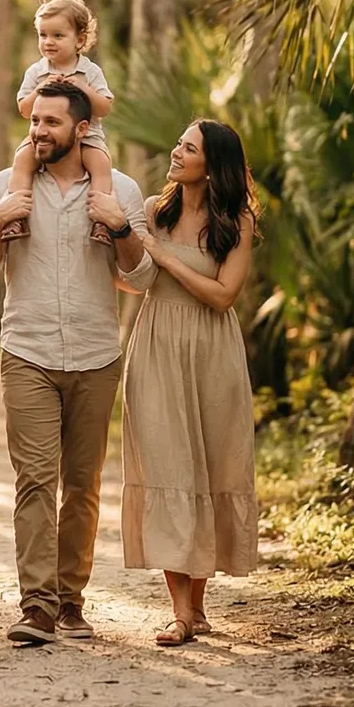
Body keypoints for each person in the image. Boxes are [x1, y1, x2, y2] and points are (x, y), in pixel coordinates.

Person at [0, 80, 156, 644]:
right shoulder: (7, 184)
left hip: (97, 354)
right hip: (27, 350)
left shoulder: (120, 187)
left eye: (51, 122)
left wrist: (120, 225)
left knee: (83, 484)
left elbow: (141, 277)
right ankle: (37, 607)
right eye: (34, 121)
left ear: (81, 128)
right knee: (34, 480)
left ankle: (72, 600)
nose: (38, 131)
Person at [122, 119, 262, 647]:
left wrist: (162, 258)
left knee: (208, 466)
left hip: (212, 350)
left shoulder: (236, 219)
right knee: (167, 466)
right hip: (156, 344)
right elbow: (133, 280)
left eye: (189, 147)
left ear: (213, 163)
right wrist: (123, 248)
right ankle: (180, 611)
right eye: (178, 143)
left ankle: (197, 606)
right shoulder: (156, 214)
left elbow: (225, 294)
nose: (176, 153)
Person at [0, 0, 118, 244]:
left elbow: (104, 107)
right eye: (43, 35)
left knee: (100, 165)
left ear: (80, 40)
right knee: (22, 159)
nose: (48, 42)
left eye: (58, 36)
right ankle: (16, 218)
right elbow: (23, 108)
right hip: (45, 136)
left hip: (88, 136)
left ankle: (101, 221)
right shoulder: (37, 71)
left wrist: (83, 88)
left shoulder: (90, 71)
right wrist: (40, 89)